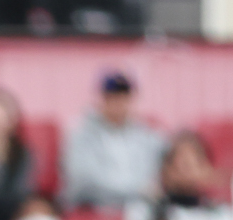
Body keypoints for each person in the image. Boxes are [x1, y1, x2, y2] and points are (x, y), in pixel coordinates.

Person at [61, 72, 165, 211]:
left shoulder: (146, 135)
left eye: (123, 97)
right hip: (93, 208)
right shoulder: (80, 133)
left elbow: (157, 176)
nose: (118, 103)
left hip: (139, 210)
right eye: (112, 97)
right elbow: (83, 182)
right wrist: (136, 191)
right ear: (102, 99)